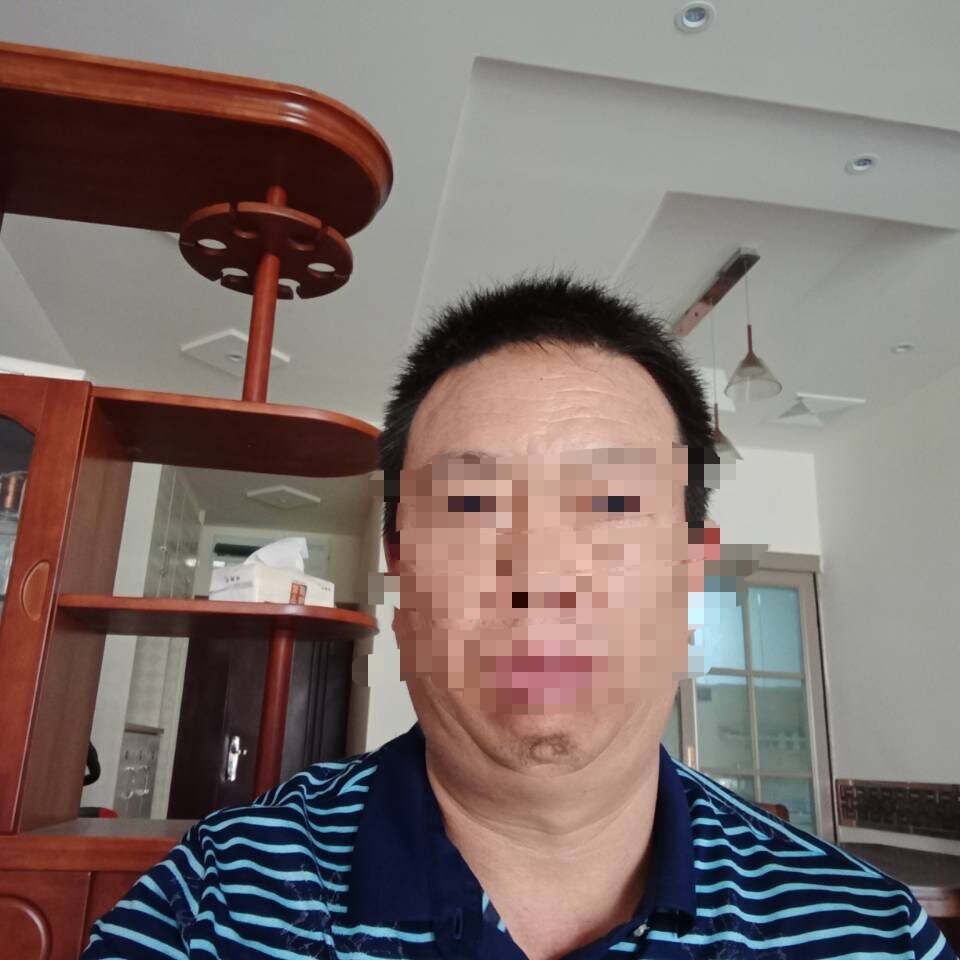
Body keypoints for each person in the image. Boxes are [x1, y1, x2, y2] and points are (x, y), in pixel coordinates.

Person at [83, 276, 956, 959]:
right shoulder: (220, 907)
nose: (540, 576)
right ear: (400, 573)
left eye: (610, 502)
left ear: (692, 573)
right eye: (470, 505)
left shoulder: (868, 932)